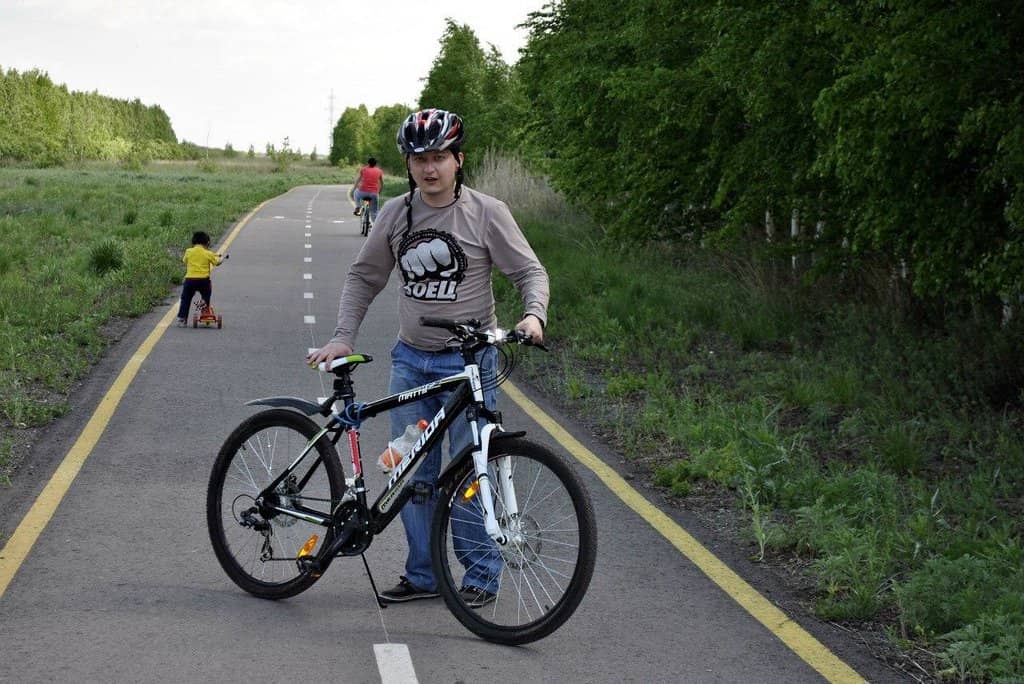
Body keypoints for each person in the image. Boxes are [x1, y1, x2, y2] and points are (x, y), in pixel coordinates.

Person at [306, 108, 548, 606]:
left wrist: (533, 317)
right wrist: (342, 337)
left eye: (439, 157)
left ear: (459, 160)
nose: (428, 168)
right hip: (411, 361)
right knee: (414, 474)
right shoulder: (396, 213)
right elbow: (364, 277)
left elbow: (529, 272)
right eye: (418, 159)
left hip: (470, 366)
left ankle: (481, 577)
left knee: (470, 472)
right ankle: (423, 575)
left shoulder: (486, 212)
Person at [176, 230, 225, 327]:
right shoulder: (208, 253)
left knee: (185, 298)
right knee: (206, 295)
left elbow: (184, 261)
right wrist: (222, 258)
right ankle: (205, 313)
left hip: (189, 280)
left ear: (193, 242)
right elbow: (217, 263)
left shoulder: (188, 251)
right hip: (203, 281)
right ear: (207, 243)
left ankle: (182, 319)